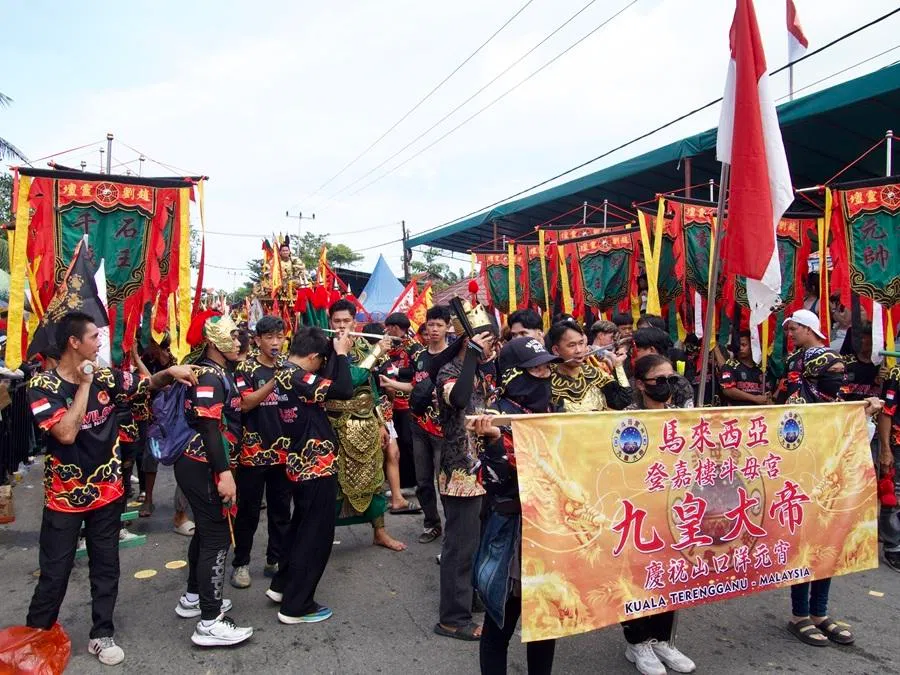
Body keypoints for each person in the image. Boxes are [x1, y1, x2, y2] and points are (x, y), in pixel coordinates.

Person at [26, 311, 196, 666]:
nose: (99, 342)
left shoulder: (107, 376)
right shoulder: (42, 386)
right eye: (94, 337)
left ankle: (101, 634)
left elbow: (142, 385)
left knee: (106, 568)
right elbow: (65, 433)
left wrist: (169, 373)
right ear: (74, 342)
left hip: (107, 493)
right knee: (55, 572)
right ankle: (36, 639)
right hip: (64, 498)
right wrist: (85, 385)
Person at [470, 337, 560, 674]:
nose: (544, 374)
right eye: (535, 369)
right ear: (512, 374)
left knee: (546, 625)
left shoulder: (554, 410)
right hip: (512, 531)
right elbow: (494, 483)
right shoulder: (493, 417)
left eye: (547, 367)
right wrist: (494, 444)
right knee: (500, 623)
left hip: (552, 530)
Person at [173, 311, 253, 647]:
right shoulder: (208, 375)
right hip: (202, 465)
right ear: (212, 340)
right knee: (217, 538)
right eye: (231, 336)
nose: (237, 341)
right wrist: (224, 474)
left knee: (207, 533)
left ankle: (194, 596)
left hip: (204, 464)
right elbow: (208, 427)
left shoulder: (221, 371)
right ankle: (210, 621)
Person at [267, 327, 354, 623]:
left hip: (300, 461)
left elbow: (328, 383)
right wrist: (341, 353)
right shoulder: (297, 377)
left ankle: (282, 586)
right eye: (322, 360)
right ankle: (297, 606)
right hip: (314, 465)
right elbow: (344, 390)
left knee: (300, 528)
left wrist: (335, 353)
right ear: (314, 356)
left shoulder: (284, 370)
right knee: (315, 536)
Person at [781, 309, 853, 646]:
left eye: (794, 329)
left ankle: (820, 612)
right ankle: (799, 614)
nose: (837, 378)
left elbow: (843, 410)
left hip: (831, 468)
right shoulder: (794, 380)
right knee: (805, 541)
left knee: (829, 539)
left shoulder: (833, 383)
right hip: (801, 470)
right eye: (831, 373)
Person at [621, 354, 696, 675]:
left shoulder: (682, 416)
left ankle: (662, 639)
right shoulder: (626, 418)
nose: (666, 385)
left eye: (671, 379)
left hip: (675, 507)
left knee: (671, 573)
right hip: (637, 509)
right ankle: (637, 642)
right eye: (659, 380)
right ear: (641, 383)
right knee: (637, 576)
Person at [324, 299, 406, 551]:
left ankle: (380, 532)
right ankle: (323, 536)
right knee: (333, 484)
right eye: (336, 321)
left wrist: (381, 423)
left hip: (367, 423)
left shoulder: (363, 346)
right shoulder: (325, 349)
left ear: (355, 322)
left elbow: (371, 388)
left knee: (374, 478)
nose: (341, 326)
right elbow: (350, 378)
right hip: (335, 424)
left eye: (346, 321)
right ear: (329, 322)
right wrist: (376, 353)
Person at [433, 320, 497, 641]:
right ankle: (452, 619)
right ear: (468, 342)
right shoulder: (448, 371)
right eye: (488, 341)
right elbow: (458, 399)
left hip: (484, 469)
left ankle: (470, 597)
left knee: (479, 542)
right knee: (459, 546)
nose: (493, 348)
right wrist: (472, 353)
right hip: (461, 472)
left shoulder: (485, 371)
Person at [229, 315, 292, 589]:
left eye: (279, 337)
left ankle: (275, 559)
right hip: (253, 454)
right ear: (257, 340)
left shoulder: (288, 366)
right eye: (269, 337)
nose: (275, 343)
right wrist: (275, 381)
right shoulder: (245, 369)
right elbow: (245, 404)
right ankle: (241, 563)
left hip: (283, 452)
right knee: (248, 511)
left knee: (281, 510)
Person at [405, 305, 463, 544]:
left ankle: (453, 529)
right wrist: (392, 384)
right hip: (419, 425)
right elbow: (414, 386)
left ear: (448, 327)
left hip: (443, 429)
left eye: (440, 325)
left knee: (445, 483)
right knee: (423, 481)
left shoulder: (455, 356)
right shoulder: (419, 356)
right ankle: (431, 524)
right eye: (431, 324)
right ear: (426, 326)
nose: (435, 329)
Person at [546, 320, 632, 412]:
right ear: (556, 350)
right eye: (572, 345)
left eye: (581, 343)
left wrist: (618, 366)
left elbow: (622, 400)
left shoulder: (594, 373)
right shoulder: (547, 379)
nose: (579, 350)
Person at [383, 312, 422, 498]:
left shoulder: (414, 347)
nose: (387, 331)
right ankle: (401, 482)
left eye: (389, 328)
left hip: (407, 402)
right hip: (391, 404)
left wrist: (397, 371)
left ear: (396, 328)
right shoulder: (389, 345)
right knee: (396, 444)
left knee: (407, 443)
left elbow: (419, 372)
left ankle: (413, 482)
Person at [632, 327, 694, 408]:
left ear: (652, 350)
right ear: (640, 384)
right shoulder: (629, 413)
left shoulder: (680, 383)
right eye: (660, 380)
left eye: (637, 350)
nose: (634, 355)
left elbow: (687, 413)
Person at [878, 361, 900, 572]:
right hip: (897, 444)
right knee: (892, 497)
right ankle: (893, 547)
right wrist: (885, 449)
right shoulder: (897, 373)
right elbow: (886, 412)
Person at [718, 330, 771, 406]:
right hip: (737, 411)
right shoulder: (730, 365)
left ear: (752, 346)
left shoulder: (761, 369)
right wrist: (755, 398)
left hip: (759, 412)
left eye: (744, 345)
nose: (740, 348)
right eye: (738, 345)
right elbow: (728, 390)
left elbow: (768, 394)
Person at [840, 323, 880, 401]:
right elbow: (840, 394)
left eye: (862, 338)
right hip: (850, 406)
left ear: (874, 340)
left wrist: (885, 380)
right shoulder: (845, 362)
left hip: (875, 407)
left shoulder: (883, 364)